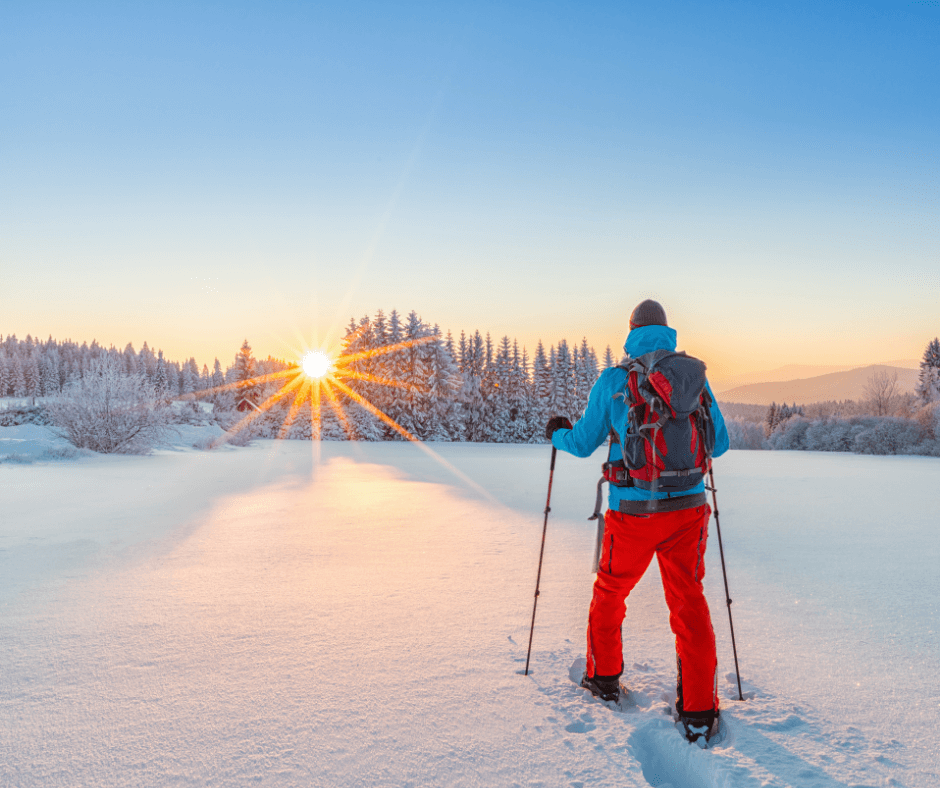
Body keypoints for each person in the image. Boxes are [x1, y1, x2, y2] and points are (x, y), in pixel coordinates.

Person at [545, 299, 729, 746]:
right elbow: (719, 444)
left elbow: (585, 441)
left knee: (610, 593)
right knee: (689, 602)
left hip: (632, 513)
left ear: (631, 331)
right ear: (667, 331)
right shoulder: (693, 378)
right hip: (688, 511)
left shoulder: (614, 380)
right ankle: (699, 709)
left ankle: (604, 678)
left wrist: (557, 433)